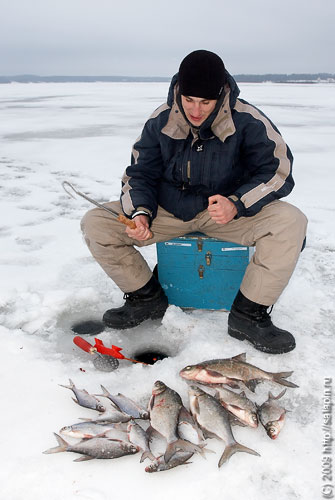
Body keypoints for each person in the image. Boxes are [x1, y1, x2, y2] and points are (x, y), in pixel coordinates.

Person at [81, 49, 307, 355]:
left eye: (205, 102)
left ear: (221, 94)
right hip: (169, 211)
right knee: (96, 223)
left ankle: (248, 315)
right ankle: (145, 298)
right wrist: (141, 212)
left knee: (290, 222)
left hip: (226, 215)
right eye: (189, 100)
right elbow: (139, 172)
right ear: (178, 91)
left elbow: (278, 172)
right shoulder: (161, 119)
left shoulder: (248, 120)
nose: (196, 110)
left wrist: (236, 202)